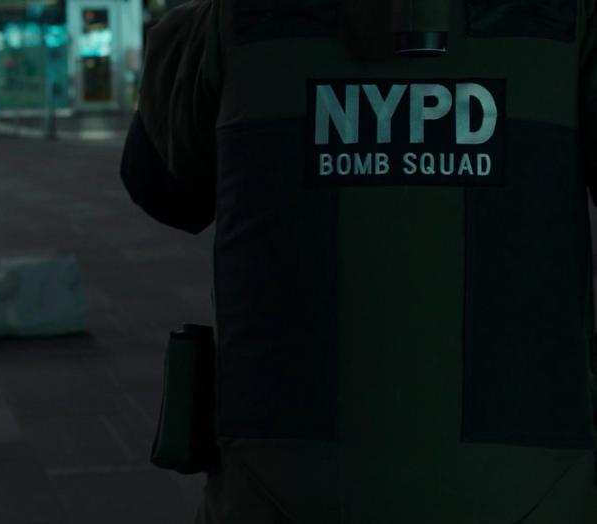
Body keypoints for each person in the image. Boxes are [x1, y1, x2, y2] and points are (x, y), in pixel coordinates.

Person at [120, 0, 597, 522]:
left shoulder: (231, 22)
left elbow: (160, 189)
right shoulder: (570, 20)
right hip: (535, 488)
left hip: (274, 487)